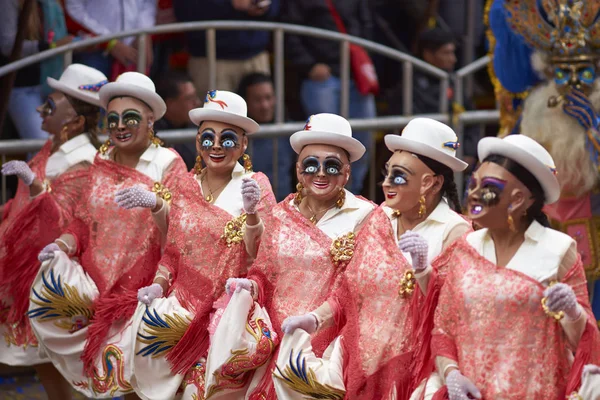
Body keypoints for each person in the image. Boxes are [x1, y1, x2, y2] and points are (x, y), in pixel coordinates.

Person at [280, 118, 471, 399]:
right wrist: (315, 319)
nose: (385, 184)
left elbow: (454, 314)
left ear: (430, 182)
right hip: (358, 362)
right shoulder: (380, 217)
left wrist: (423, 271)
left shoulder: (456, 232)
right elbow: (349, 289)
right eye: (387, 173)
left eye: (399, 176)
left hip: (416, 373)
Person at [28, 72, 187, 399]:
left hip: (141, 290)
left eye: (130, 118)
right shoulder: (100, 159)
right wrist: (61, 246)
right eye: (112, 119)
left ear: (150, 121)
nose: (119, 125)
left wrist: (158, 205)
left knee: (136, 378)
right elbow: (83, 220)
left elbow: (184, 233)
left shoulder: (168, 163)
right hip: (95, 284)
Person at [209, 113, 376, 399]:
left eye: (332, 166)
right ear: (299, 170)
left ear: (347, 172)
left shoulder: (366, 216)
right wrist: (250, 287)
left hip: (324, 346)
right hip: (277, 337)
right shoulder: (281, 213)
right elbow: (263, 271)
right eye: (311, 165)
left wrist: (316, 321)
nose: (320, 174)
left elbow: (359, 289)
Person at [130, 90, 276, 399]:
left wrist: (252, 214)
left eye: (228, 139)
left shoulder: (255, 185)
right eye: (208, 138)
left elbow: (264, 259)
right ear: (198, 142)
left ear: (243, 144)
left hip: (226, 318)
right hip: (180, 309)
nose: (217, 147)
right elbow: (174, 251)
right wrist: (158, 284)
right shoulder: (186, 183)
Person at [431, 135, 600, 399]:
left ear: (519, 199)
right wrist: (451, 373)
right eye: (473, 184)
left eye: (487, 188)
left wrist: (572, 311)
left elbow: (586, 345)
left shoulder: (558, 249)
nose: (473, 194)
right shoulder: (465, 247)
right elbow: (442, 329)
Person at [487, 0, 600, 320]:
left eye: (585, 72)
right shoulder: (533, 117)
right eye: (563, 74)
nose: (574, 85)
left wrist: (593, 126)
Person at [0, 63, 106, 400]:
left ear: (75, 120)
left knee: (60, 362)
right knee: (43, 360)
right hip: (31, 269)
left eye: (49, 104)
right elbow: (24, 207)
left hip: (54, 273)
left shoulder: (85, 160)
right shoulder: (54, 149)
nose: (38, 109)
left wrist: (34, 188)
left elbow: (66, 220)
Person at [281, 0, 376, 195]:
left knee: (363, 143)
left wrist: (362, 53)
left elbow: (366, 23)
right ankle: (317, 198)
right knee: (322, 143)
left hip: (355, 76)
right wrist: (309, 66)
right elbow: (289, 33)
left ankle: (351, 197)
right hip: (322, 78)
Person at [1, 0, 74, 141]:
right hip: (20, 87)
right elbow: (8, 46)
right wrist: (51, 46)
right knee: (40, 141)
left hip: (49, 83)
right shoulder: (8, 3)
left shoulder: (49, 4)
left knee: (60, 139)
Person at [173, 0, 280, 96]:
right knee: (215, 116)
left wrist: (266, 6)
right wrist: (230, 4)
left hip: (256, 57)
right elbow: (185, 10)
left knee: (262, 114)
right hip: (211, 60)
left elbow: (276, 6)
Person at [238, 72, 294, 200]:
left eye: (268, 98)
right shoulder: (235, 139)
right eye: (257, 100)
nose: (265, 105)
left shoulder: (288, 132)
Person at [64, 0, 156, 78]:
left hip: (132, 49)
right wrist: (108, 41)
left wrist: (143, 32)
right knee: (89, 96)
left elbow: (148, 4)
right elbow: (73, 8)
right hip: (94, 50)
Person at [154, 71, 201, 170]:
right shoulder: (153, 136)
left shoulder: (197, 128)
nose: (197, 102)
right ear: (170, 104)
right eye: (189, 98)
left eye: (195, 96)